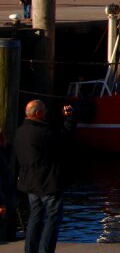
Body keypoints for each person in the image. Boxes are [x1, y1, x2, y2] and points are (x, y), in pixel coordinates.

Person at [11, 100, 75, 253]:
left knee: (35, 217)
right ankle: (45, 250)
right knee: (53, 218)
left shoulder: (20, 132)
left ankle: (30, 249)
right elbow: (65, 138)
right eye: (44, 110)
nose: (46, 113)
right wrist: (69, 118)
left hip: (30, 183)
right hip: (48, 183)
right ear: (38, 113)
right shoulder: (43, 132)